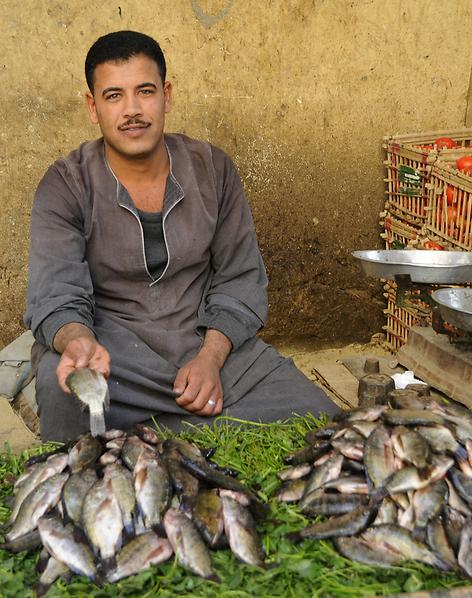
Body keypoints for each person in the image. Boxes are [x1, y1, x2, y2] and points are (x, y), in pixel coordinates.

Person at [23, 30, 338, 442]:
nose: (132, 110)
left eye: (145, 91)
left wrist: (210, 358)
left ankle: (153, 434)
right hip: (118, 359)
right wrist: (79, 342)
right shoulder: (67, 183)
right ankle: (186, 430)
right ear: (92, 106)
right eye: (114, 95)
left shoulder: (212, 169)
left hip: (206, 348)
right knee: (59, 381)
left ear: (167, 96)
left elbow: (241, 279)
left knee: (322, 422)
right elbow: (55, 292)